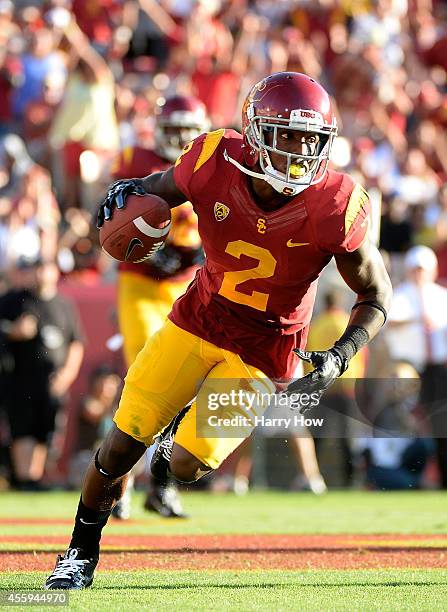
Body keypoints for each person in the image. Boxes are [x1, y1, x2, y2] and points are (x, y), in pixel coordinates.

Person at [45, 72, 392, 590]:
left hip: (265, 350)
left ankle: (168, 451)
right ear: (254, 133)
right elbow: (157, 188)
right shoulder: (213, 160)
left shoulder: (336, 204)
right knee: (121, 443)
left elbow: (377, 296)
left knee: (186, 465)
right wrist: (127, 194)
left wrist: (342, 353)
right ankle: (78, 554)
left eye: (310, 140)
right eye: (286, 135)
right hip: (198, 318)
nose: (299, 152)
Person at [111, 94, 209, 519]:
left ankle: (161, 484)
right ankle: (119, 482)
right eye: (176, 130)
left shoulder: (214, 161)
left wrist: (203, 255)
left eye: (191, 130)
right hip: (141, 286)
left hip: (184, 286)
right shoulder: (136, 157)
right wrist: (148, 252)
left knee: (183, 389)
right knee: (146, 381)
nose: (184, 139)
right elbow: (112, 219)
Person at [0, 257, 84, 490]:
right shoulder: (14, 300)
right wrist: (12, 331)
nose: (40, 274)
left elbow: (76, 342)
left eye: (45, 269)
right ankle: (23, 477)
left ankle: (33, 477)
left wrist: (67, 375)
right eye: (36, 269)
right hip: (19, 379)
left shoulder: (64, 305)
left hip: (52, 382)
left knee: (43, 430)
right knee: (22, 428)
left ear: (55, 273)